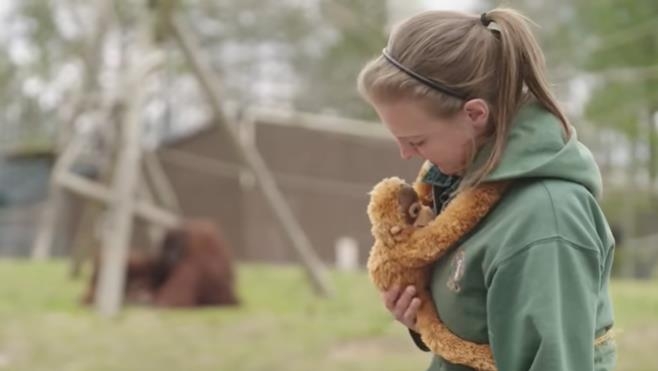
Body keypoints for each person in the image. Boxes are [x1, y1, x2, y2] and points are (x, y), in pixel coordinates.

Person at [357, 8, 616, 371]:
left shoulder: (546, 220)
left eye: (416, 139)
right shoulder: (459, 187)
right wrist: (425, 321)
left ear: (475, 114)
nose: (406, 154)